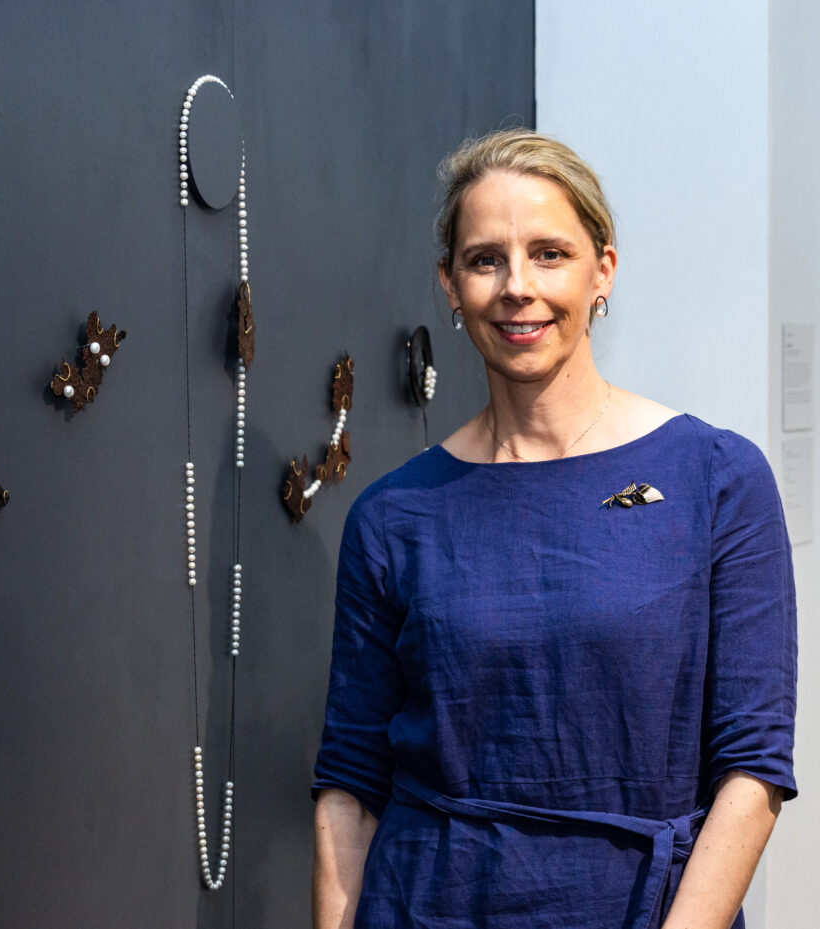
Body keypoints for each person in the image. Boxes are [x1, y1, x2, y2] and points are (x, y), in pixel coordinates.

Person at [311, 129, 797, 929]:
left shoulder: (717, 478)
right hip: (423, 905)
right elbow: (350, 784)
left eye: (549, 254)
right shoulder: (393, 514)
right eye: (485, 260)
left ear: (602, 270)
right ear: (450, 285)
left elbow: (753, 770)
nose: (518, 286)